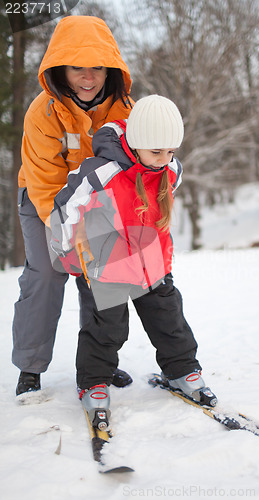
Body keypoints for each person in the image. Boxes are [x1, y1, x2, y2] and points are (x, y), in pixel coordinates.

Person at [49, 95, 217, 428]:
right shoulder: (102, 172)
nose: (164, 160)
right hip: (108, 266)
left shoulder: (170, 169)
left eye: (171, 152)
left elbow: (169, 186)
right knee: (108, 329)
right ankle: (94, 383)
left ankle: (183, 372)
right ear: (137, 143)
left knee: (170, 321)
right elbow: (66, 208)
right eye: (157, 152)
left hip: (153, 264)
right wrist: (67, 250)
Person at [12, 16, 134, 397]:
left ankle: (100, 363)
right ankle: (30, 367)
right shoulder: (42, 113)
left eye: (97, 67)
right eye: (77, 67)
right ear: (59, 68)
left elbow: (133, 168)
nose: (88, 77)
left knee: (102, 279)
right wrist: (70, 231)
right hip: (43, 202)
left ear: (110, 69)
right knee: (46, 276)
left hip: (100, 203)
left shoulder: (124, 111)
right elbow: (46, 184)